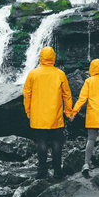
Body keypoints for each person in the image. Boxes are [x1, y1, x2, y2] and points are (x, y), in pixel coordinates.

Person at [23, 46, 73, 179]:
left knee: (41, 142)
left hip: (38, 115)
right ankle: (57, 171)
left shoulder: (33, 74)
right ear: (53, 57)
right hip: (55, 114)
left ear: (41, 57)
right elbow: (67, 94)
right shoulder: (59, 74)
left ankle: (42, 171)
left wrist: (28, 110)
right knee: (57, 142)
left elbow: (27, 94)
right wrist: (68, 112)